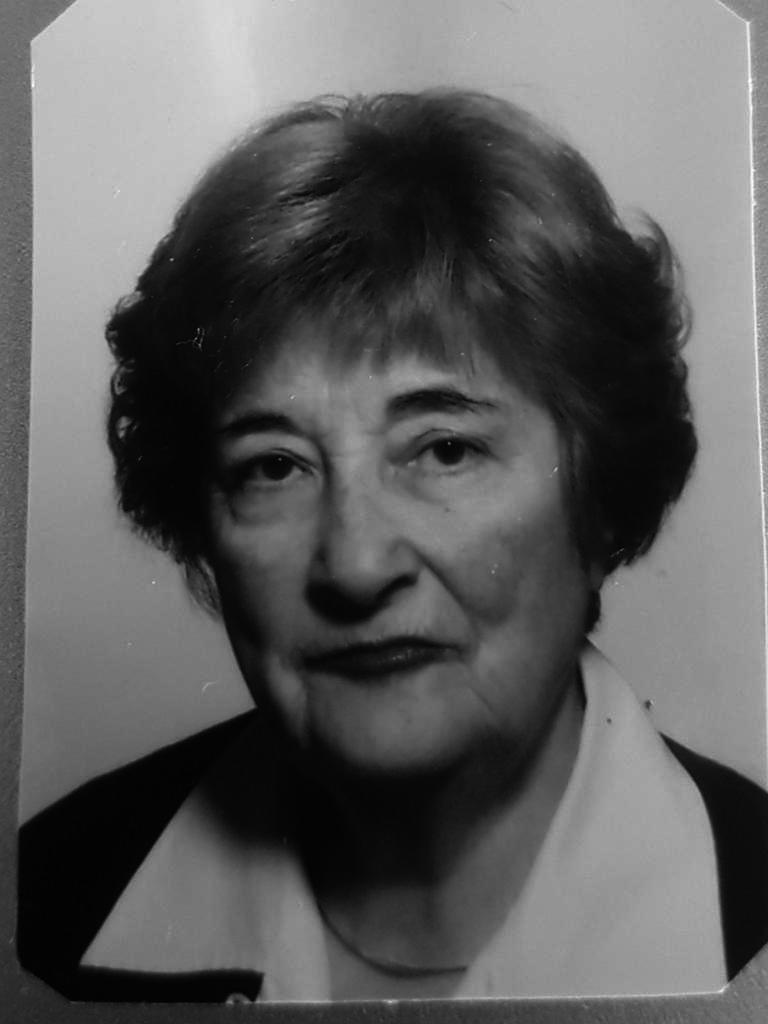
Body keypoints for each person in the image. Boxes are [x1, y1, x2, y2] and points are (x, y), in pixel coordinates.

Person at [17, 89, 768, 1003]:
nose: (356, 564)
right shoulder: (46, 901)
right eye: (274, 466)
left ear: (601, 497)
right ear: (201, 528)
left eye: (444, 449)